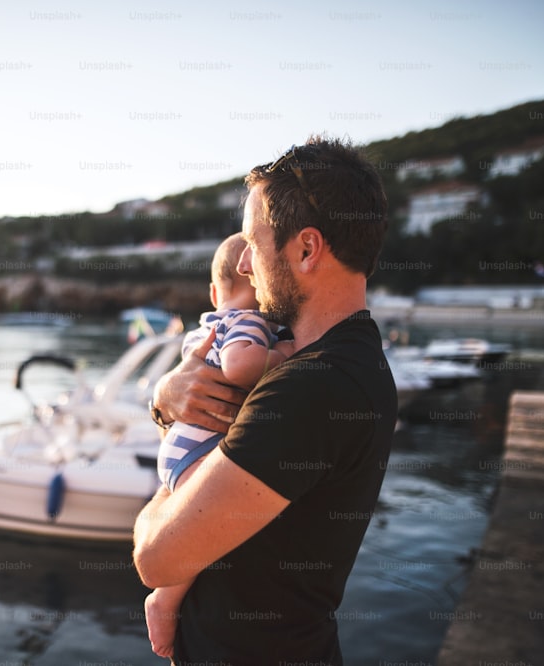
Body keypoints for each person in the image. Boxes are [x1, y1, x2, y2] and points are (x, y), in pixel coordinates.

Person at [133, 136, 397, 665]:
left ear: (306, 249)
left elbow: (156, 558)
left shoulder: (311, 387)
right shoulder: (349, 359)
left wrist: (162, 472)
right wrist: (167, 401)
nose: (246, 264)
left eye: (255, 242)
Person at [147, 232, 295, 658]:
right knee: (194, 534)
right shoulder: (249, 322)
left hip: (179, 444)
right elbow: (239, 364)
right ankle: (165, 597)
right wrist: (285, 355)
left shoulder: (205, 327)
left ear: (213, 292)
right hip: (200, 450)